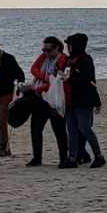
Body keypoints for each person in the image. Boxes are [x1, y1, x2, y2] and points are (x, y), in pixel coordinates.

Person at [25, 36, 72, 168]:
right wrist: (45, 77)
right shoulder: (44, 57)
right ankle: (37, 157)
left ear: (57, 48)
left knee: (59, 129)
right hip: (40, 98)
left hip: (54, 99)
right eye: (43, 49)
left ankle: (64, 158)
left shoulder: (62, 59)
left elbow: (57, 82)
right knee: (35, 128)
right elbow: (33, 68)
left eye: (48, 50)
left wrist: (44, 84)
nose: (45, 52)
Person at [64, 33, 106, 168]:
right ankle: (73, 158)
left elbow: (88, 80)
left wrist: (69, 78)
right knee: (71, 130)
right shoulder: (69, 60)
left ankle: (99, 156)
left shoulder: (86, 59)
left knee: (84, 128)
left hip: (84, 100)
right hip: (70, 100)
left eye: (69, 45)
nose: (68, 48)